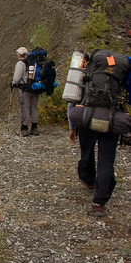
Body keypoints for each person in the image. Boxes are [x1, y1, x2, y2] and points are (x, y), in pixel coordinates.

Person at [68, 51, 131, 217]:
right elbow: (128, 101)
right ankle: (99, 202)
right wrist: (126, 133)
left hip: (87, 118)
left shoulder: (88, 71)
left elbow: (74, 98)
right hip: (111, 120)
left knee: (86, 151)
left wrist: (72, 126)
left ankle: (88, 180)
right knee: (106, 160)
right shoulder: (122, 73)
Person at [12, 47, 40, 136]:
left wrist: (13, 84)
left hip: (24, 89)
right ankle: (34, 128)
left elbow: (16, 78)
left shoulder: (21, 64)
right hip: (35, 88)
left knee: (25, 108)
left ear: (20, 54)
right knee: (34, 107)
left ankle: (24, 128)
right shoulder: (35, 63)